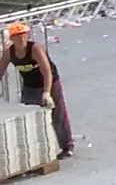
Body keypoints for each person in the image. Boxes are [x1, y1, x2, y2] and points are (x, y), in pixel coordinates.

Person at [4, 23, 69, 157]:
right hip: (30, 85)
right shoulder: (9, 52)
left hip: (49, 82)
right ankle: (35, 147)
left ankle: (67, 146)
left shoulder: (35, 49)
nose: (21, 40)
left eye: (23, 36)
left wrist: (47, 92)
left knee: (57, 114)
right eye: (17, 38)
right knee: (28, 115)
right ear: (12, 39)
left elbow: (47, 72)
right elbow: (0, 69)